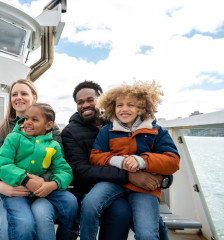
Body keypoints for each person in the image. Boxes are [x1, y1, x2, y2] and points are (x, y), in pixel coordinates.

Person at [61, 80, 173, 240]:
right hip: (97, 185)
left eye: (90, 100)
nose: (85, 105)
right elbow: (83, 171)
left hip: (139, 187)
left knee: (153, 226)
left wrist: (162, 178)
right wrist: (129, 175)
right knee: (121, 212)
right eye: (80, 102)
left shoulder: (123, 121)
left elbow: (168, 159)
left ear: (102, 100)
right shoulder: (72, 132)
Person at [0, 79, 66, 240]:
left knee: (42, 220)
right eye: (14, 94)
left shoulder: (51, 129)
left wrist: (40, 181)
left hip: (42, 192)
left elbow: (59, 163)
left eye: (24, 93)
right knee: (9, 230)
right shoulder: (4, 130)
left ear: (34, 98)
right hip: (13, 192)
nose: (18, 97)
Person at [0, 103, 78, 240]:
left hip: (42, 190)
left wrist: (52, 184)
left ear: (48, 125)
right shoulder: (14, 138)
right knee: (24, 224)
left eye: (34, 119)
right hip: (17, 191)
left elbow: (64, 171)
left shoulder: (53, 146)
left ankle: (68, 235)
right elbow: (2, 164)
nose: (28, 122)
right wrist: (25, 180)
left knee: (70, 201)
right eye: (27, 118)